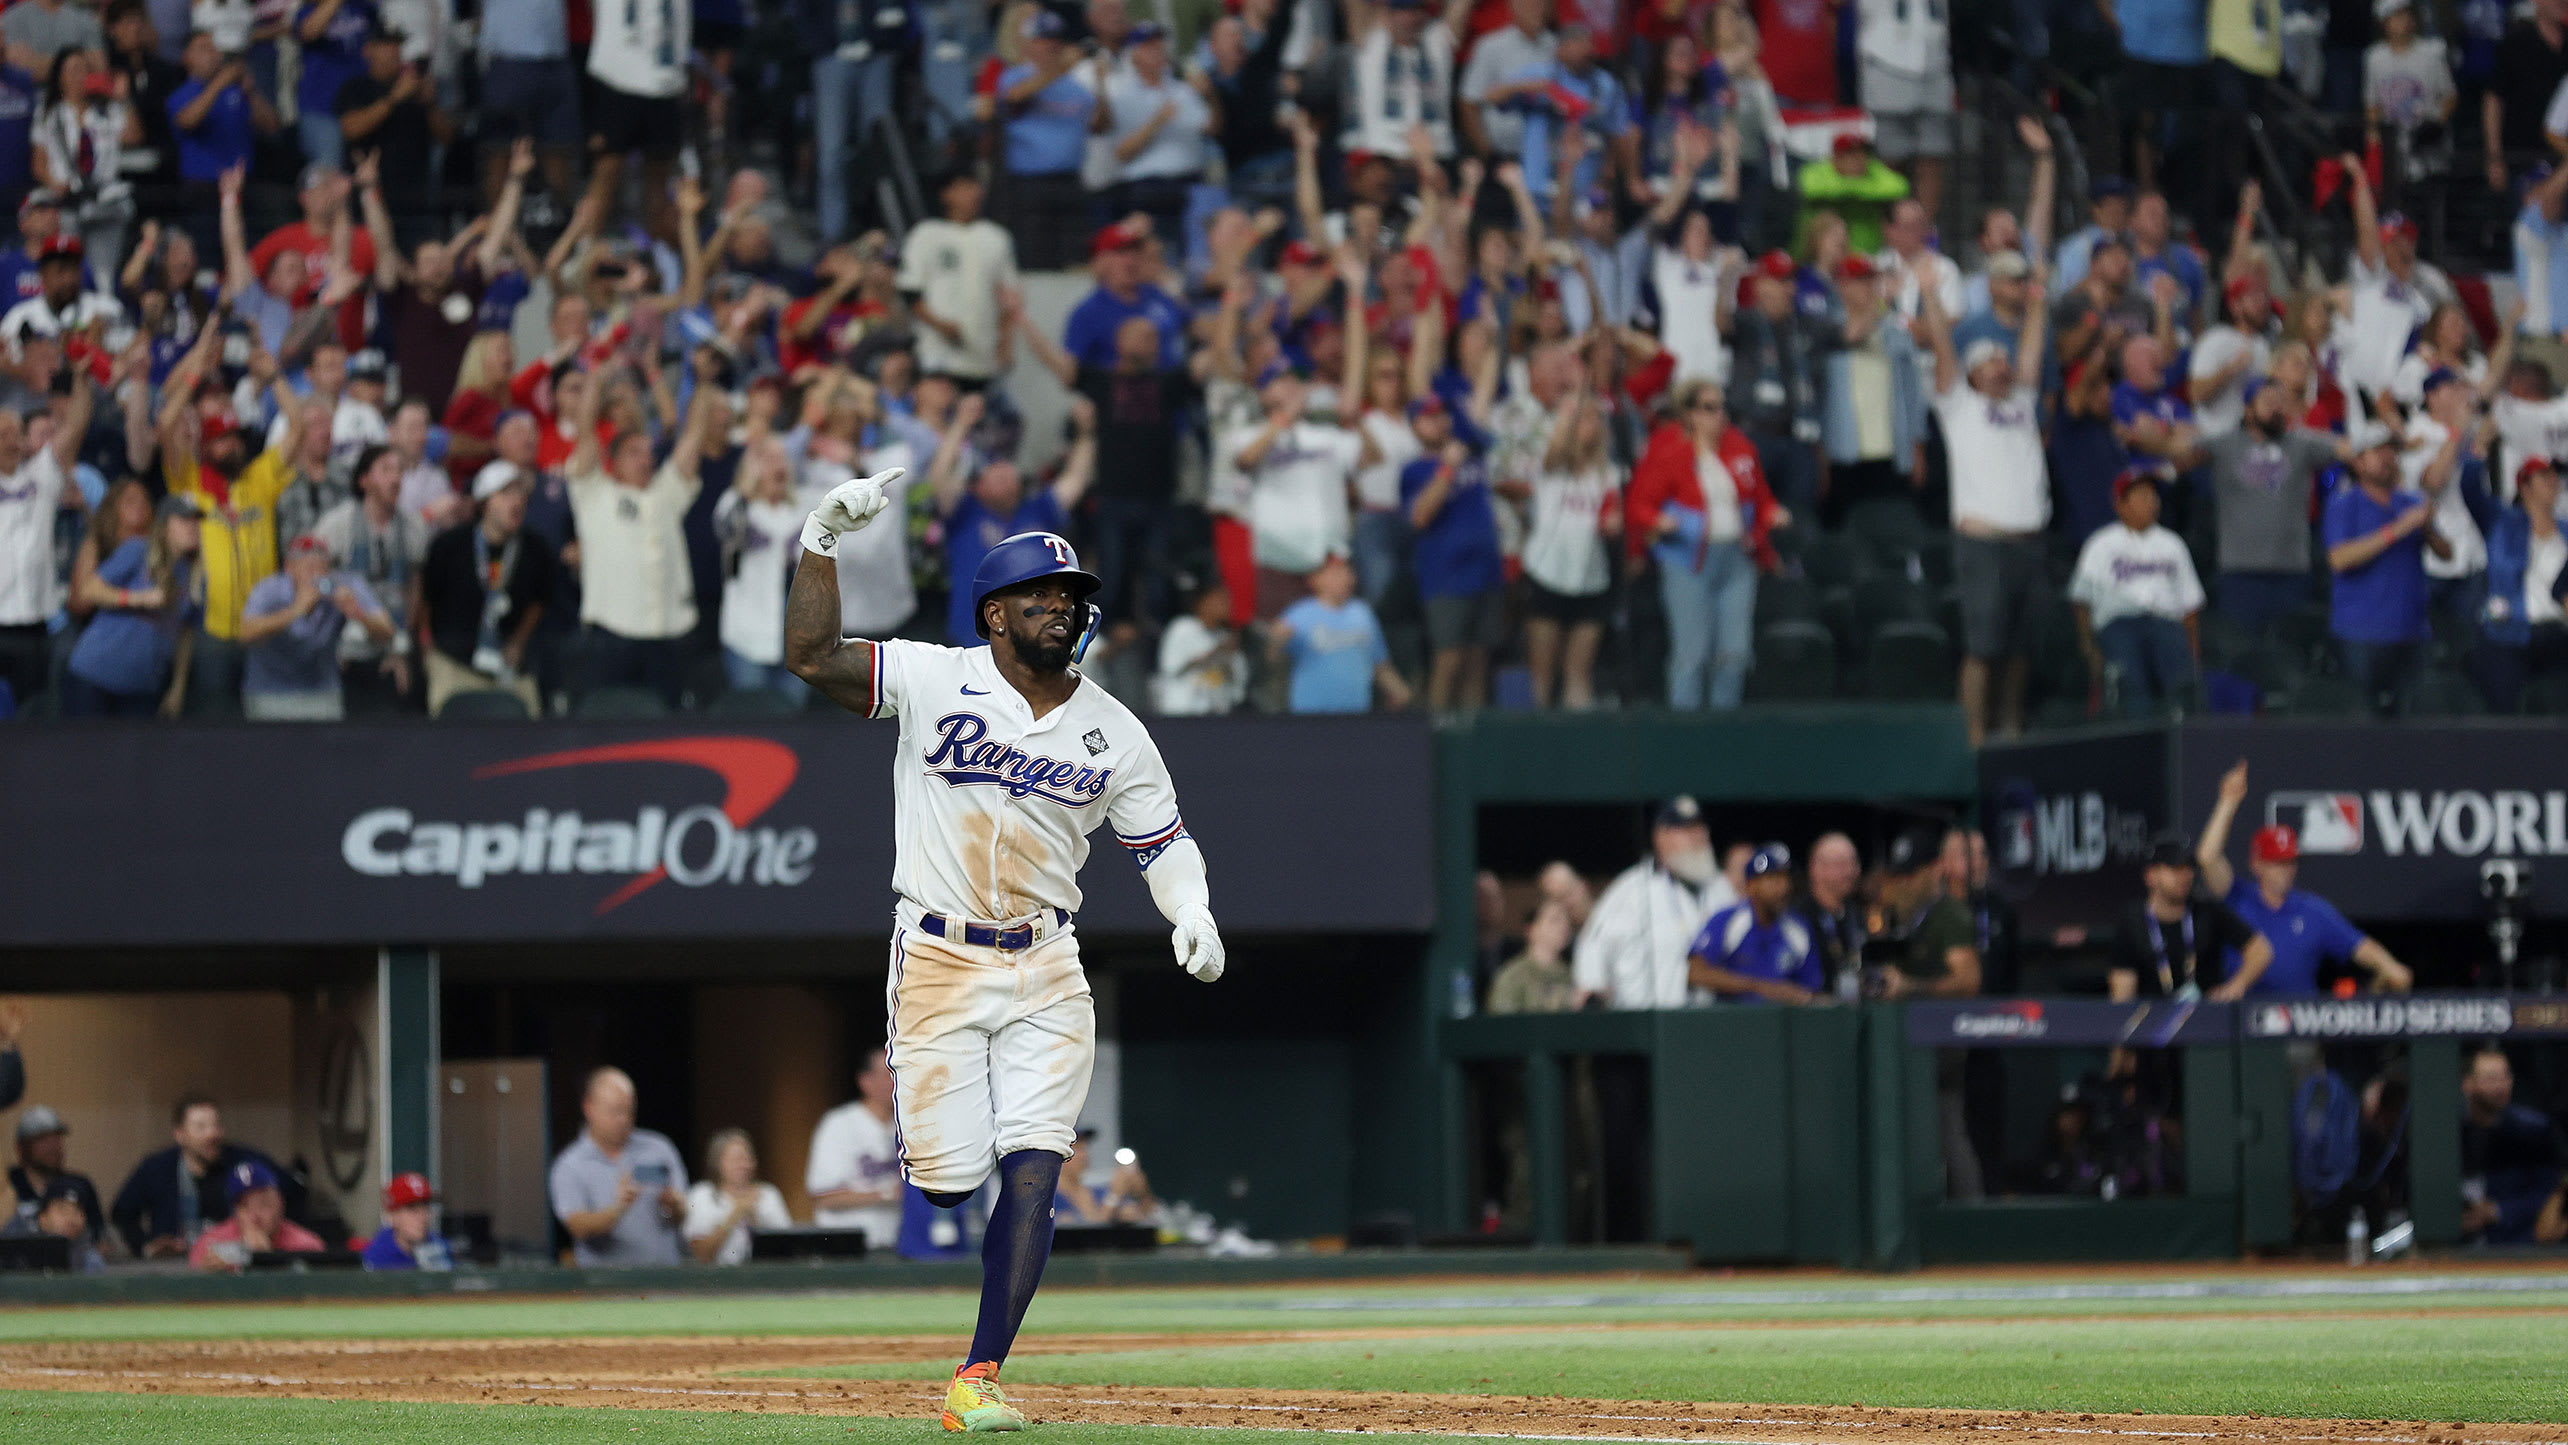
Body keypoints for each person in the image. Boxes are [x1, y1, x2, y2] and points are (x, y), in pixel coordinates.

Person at [783, 468, 1227, 1432]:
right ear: (994, 614)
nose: (1062, 608)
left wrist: (1190, 907)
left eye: (1071, 596)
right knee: (948, 1182)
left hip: (1047, 962)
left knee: (1036, 1167)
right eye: (1040, 596)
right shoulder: (934, 676)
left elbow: (1163, 841)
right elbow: (811, 655)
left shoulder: (1116, 729)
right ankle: (961, 1179)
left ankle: (977, 1374)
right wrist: (821, 539)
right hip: (939, 956)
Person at [1920, 265, 2050, 745]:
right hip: (1983, 544)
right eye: (1991, 361)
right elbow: (1942, 348)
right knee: (1983, 647)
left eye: (2003, 358)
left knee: (2020, 648)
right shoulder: (1960, 406)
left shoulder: (2022, 404)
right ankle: (1972, 738)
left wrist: (2038, 300)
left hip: (2029, 542)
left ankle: (2011, 730)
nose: (2002, 365)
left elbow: (2031, 353)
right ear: (1973, 373)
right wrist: (1930, 294)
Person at [2195, 760, 2415, 996]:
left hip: (2298, 1015)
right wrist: (2228, 802)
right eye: (2277, 863)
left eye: (2291, 862)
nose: (2286, 870)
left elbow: (2362, 947)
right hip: (2243, 1013)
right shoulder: (2236, 897)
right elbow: (2207, 857)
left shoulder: (2312, 910)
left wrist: (2388, 966)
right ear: (2257, 864)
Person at [1627, 378, 1780, 708]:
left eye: (1722, 407)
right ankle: (1686, 732)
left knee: (1735, 653)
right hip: (1687, 559)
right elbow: (1639, 503)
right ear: (1689, 413)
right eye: (1709, 408)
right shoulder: (1667, 448)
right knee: (1692, 654)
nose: (1719, 415)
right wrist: (1657, 521)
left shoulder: (1740, 446)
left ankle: (1724, 727)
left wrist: (1771, 514)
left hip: (1736, 559)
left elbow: (1761, 497)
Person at [566, 375, 716, 708]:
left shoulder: (666, 493)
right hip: (610, 633)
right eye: (634, 453)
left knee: (667, 726)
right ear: (613, 463)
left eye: (648, 453)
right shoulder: (594, 493)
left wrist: (705, 380)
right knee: (604, 723)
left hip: (667, 635)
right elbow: (585, 430)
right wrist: (595, 376)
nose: (646, 460)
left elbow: (693, 437)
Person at [1873, 824, 1985, 1197]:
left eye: (1912, 874)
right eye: (1900, 874)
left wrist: (1911, 987)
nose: (1904, 882)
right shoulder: (1902, 913)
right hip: (1904, 1040)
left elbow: (1968, 981)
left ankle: (1970, 1211)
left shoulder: (1949, 914)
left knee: (1947, 1128)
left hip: (1942, 1040)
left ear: (1935, 869)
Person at [2326, 418, 2448, 714]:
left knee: (2414, 719)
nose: (2387, 457)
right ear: (2358, 462)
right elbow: (2339, 559)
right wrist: (2398, 529)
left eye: (2391, 450)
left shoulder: (2411, 501)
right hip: (2361, 633)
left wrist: (2428, 529)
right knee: (2362, 719)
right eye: (2377, 451)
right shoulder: (2345, 503)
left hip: (2412, 631)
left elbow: (2446, 553)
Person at [2201, 379, 2343, 632]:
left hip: (2291, 572)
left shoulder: (2301, 442)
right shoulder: (2225, 444)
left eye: (2281, 403)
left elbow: (2349, 449)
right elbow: (2179, 451)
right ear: (2248, 410)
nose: (2277, 408)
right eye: (2268, 402)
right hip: (2239, 573)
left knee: (2290, 650)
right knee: (2241, 649)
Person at [1572, 795, 1737, 1010]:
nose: (1699, 836)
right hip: (1644, 1018)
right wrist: (1592, 990)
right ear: (1662, 836)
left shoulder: (1720, 888)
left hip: (1710, 1016)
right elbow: (1593, 947)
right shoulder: (1631, 889)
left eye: (1701, 827)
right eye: (1687, 830)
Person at [418, 462, 553, 715]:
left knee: (532, 725)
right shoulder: (450, 545)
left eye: (520, 493)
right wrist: (426, 648)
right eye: (506, 493)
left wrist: (519, 640)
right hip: (454, 663)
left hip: (511, 667)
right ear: (484, 502)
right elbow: (426, 597)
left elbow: (540, 599)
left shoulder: (535, 548)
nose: (517, 501)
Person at [2070, 470, 2207, 718]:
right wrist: (2089, 647)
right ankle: (2136, 734)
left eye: (2153, 495)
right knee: (2131, 683)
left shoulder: (2172, 544)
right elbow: (2081, 600)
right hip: (2119, 624)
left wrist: (2194, 653)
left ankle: (2183, 732)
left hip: (2165, 622)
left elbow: (2190, 605)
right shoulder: (2102, 543)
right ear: (2120, 504)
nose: (2150, 501)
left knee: (2181, 683)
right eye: (2141, 495)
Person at [0, 367, 94, 711]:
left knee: (33, 718)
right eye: (2, 434)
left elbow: (77, 425)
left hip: (34, 625)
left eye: (15, 434)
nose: (10, 441)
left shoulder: (42, 475)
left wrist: (80, 380)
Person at [1401, 396, 1504, 711]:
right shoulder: (1415, 470)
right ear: (1415, 426)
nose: (1438, 422)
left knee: (1478, 660)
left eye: (1442, 415)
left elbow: (1486, 430)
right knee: (1448, 658)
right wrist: (1447, 468)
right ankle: (1437, 729)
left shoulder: (1475, 454)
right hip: (1446, 577)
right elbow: (1420, 517)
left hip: (1486, 572)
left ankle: (1473, 732)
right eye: (1429, 417)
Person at [1520, 387, 1618, 709]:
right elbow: (1551, 455)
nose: (1590, 424)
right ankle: (1536, 732)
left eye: (1594, 418)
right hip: (1547, 572)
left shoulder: (1607, 472)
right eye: (1583, 417)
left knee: (1579, 671)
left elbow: (1611, 515)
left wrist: (1613, 524)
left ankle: (1580, 733)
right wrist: (1567, 416)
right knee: (1541, 673)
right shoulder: (1548, 461)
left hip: (1590, 576)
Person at [110, 1092, 300, 1257]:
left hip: (233, 1263)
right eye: (201, 1127)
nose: (211, 1134)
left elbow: (291, 1193)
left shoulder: (245, 1162)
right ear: (180, 1134)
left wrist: (269, 1237)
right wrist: (146, 1246)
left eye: (216, 1125)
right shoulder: (156, 1168)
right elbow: (122, 1212)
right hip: (173, 1266)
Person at [236, 532, 394, 720]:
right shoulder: (269, 590)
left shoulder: (343, 585)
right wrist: (296, 610)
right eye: (309, 567)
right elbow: (245, 634)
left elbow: (387, 632)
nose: (317, 575)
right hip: (270, 691)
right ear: (289, 568)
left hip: (321, 692)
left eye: (322, 568)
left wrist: (359, 614)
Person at [548, 1066, 688, 1267]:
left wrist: (673, 1205)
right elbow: (578, 1227)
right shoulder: (570, 1165)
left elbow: (682, 1213)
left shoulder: (659, 1148)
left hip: (663, 1278)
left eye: (629, 1111)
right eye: (614, 1111)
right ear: (589, 1107)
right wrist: (618, 1208)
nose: (623, 1119)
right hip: (605, 1281)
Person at [2108, 833, 2271, 1001]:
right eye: (2175, 868)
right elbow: (2122, 993)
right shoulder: (2133, 922)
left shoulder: (2207, 911)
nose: (2184, 875)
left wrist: (2235, 987)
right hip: (2153, 1014)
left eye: (2188, 867)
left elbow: (2260, 951)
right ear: (2151, 875)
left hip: (2207, 1013)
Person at [898, 171, 1017, 391]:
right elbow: (910, 291)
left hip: (983, 357)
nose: (974, 193)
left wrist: (1005, 343)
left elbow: (1009, 297)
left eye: (976, 186)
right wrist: (941, 325)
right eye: (965, 186)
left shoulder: (996, 237)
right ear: (946, 194)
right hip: (936, 356)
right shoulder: (926, 234)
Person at [2469, 456, 2568, 710]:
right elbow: (2470, 488)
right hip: (2510, 634)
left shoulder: (2565, 530)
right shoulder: (2502, 523)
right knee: (2507, 716)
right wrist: (2477, 452)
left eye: (2554, 476)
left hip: (2559, 634)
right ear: (2524, 487)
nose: (2552, 480)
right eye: (2543, 475)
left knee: (2557, 715)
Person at [1271, 551, 1410, 713]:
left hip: (1356, 714)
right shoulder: (1298, 614)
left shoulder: (1362, 613)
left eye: (1346, 571)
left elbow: (1378, 664)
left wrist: (1398, 689)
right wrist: (1276, 641)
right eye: (1335, 572)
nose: (1344, 577)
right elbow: (1274, 659)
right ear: (1315, 579)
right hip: (1310, 715)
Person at [1687, 845, 1821, 1005]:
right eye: (1773, 878)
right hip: (1731, 1017)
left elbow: (1812, 989)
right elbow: (1695, 973)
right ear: (1751, 886)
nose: (1783, 887)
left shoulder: (1798, 929)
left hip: (1782, 1018)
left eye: (1786, 878)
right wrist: (1758, 987)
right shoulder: (1729, 920)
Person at [2460, 1046, 2565, 1245]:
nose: (2501, 1086)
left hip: (2517, 1244)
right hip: (2455, 1247)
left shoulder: (2535, 1129)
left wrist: (2498, 1210)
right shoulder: (2451, 1131)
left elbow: (2551, 1193)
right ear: (2468, 1083)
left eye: (2505, 1077)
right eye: (2491, 1078)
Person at [806, 1049, 904, 1250]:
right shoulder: (839, 1124)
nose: (896, 1081)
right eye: (889, 1074)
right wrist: (886, 1194)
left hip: (895, 1244)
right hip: (847, 1248)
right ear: (865, 1081)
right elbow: (824, 1197)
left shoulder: (907, 1125)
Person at [188, 1158, 325, 1270]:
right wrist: (205, 1275)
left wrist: (266, 1259)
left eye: (263, 1204)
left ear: (280, 1204)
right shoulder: (210, 1245)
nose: (254, 1216)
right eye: (244, 1206)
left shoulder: (307, 1246)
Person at [684, 1128, 792, 1266]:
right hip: (719, 1276)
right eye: (736, 1160)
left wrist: (757, 1225)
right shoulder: (702, 1194)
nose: (744, 1165)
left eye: (748, 1159)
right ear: (717, 1162)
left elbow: (787, 1247)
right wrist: (735, 1214)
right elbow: (701, 1254)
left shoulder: (769, 1194)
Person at [9, 1105, 102, 1240]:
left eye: (57, 1138)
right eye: (42, 1139)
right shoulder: (7, 1183)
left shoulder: (79, 1184)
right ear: (21, 1147)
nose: (52, 1146)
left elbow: (99, 1237)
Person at [1153, 582, 1247, 716]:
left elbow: (1239, 685)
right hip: (1180, 711)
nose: (1225, 606)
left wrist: (1228, 658)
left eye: (1227, 601)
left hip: (1217, 714)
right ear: (1202, 602)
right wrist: (1215, 653)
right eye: (1219, 600)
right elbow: (1169, 667)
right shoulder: (1182, 628)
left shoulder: (1226, 638)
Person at [1487, 898, 1579, 1013]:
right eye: (1554, 920)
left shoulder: (1571, 973)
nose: (1564, 926)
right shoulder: (1513, 977)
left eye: (1567, 921)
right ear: (1532, 930)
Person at [3, 1176, 102, 1272]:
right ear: (42, 1217)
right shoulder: (16, 1255)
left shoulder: (91, 1260)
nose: (71, 1219)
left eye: (77, 1211)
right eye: (62, 1210)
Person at [360, 1170, 454, 1269]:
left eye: (426, 1207)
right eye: (412, 1209)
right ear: (392, 1215)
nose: (423, 1217)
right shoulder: (376, 1258)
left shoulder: (440, 1246)